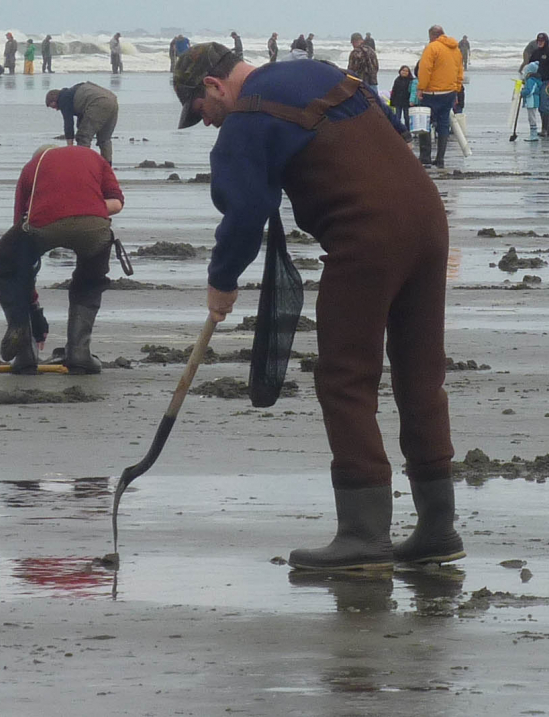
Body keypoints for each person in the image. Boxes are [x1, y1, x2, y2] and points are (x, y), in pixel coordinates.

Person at [170, 42, 462, 572]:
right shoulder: (324, 74)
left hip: (366, 233)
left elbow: (246, 211)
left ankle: (363, 535)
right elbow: (393, 128)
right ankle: (439, 529)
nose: (208, 124)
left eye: (200, 112)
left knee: (345, 378)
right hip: (428, 219)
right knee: (420, 375)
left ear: (213, 87)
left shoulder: (247, 115)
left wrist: (221, 281)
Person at [0, 145, 124, 374]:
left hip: (43, 222)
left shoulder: (33, 166)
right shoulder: (94, 157)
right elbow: (117, 203)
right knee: (89, 282)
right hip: (95, 224)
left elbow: (20, 228)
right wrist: (86, 208)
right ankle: (79, 354)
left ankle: (25, 351)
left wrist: (33, 307)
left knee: (1, 264)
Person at [416, 25, 464, 167]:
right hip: (449, 92)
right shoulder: (455, 49)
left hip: (431, 92)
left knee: (424, 123)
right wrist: (457, 88)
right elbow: (459, 71)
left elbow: (425, 69)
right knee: (443, 124)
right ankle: (440, 158)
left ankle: (425, 156)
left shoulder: (432, 47)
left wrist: (421, 88)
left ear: (431, 35)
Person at [46, 83, 119, 165]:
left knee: (83, 137)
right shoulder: (72, 93)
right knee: (105, 139)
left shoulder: (63, 98)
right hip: (112, 100)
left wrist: (69, 147)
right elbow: (82, 118)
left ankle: (83, 165)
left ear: (54, 100)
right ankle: (107, 166)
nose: (56, 109)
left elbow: (68, 123)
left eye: (53, 106)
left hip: (97, 102)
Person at [526, 33, 549, 136]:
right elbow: (530, 67)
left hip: (547, 82)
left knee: (544, 106)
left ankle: (546, 129)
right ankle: (547, 130)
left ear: (546, 41)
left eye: (542, 41)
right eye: (538, 41)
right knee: (538, 106)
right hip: (536, 82)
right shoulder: (535, 53)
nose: (540, 43)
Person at [519, 61, 545, 140]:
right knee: (531, 117)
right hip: (533, 101)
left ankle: (533, 135)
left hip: (532, 101)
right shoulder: (536, 80)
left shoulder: (531, 80)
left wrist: (522, 92)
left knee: (531, 117)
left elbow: (529, 91)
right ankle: (533, 133)